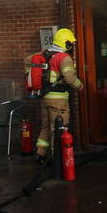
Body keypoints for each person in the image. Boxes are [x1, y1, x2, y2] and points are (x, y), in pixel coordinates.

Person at [29, 27, 83, 161]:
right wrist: (80, 85)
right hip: (59, 101)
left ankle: (40, 154)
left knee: (46, 127)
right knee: (59, 129)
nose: (72, 46)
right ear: (67, 43)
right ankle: (56, 161)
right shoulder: (64, 58)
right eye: (71, 43)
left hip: (45, 98)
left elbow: (27, 61)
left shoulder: (44, 54)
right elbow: (70, 79)